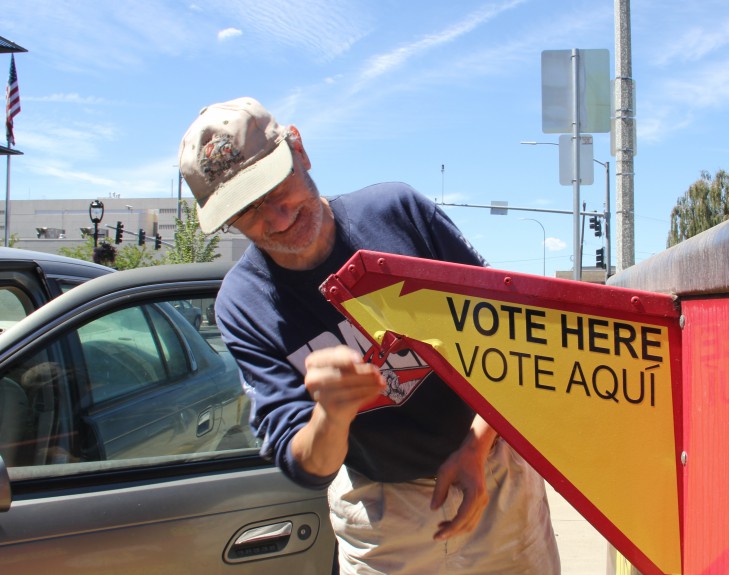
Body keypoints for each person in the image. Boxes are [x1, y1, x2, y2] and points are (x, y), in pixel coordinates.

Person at [178, 97, 560, 574]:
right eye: (247, 211)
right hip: (379, 510)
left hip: (493, 466)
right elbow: (306, 465)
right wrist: (331, 414)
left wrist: (478, 446)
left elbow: (512, 341)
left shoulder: (398, 214)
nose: (276, 219)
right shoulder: (243, 306)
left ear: (299, 149)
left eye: (275, 187)